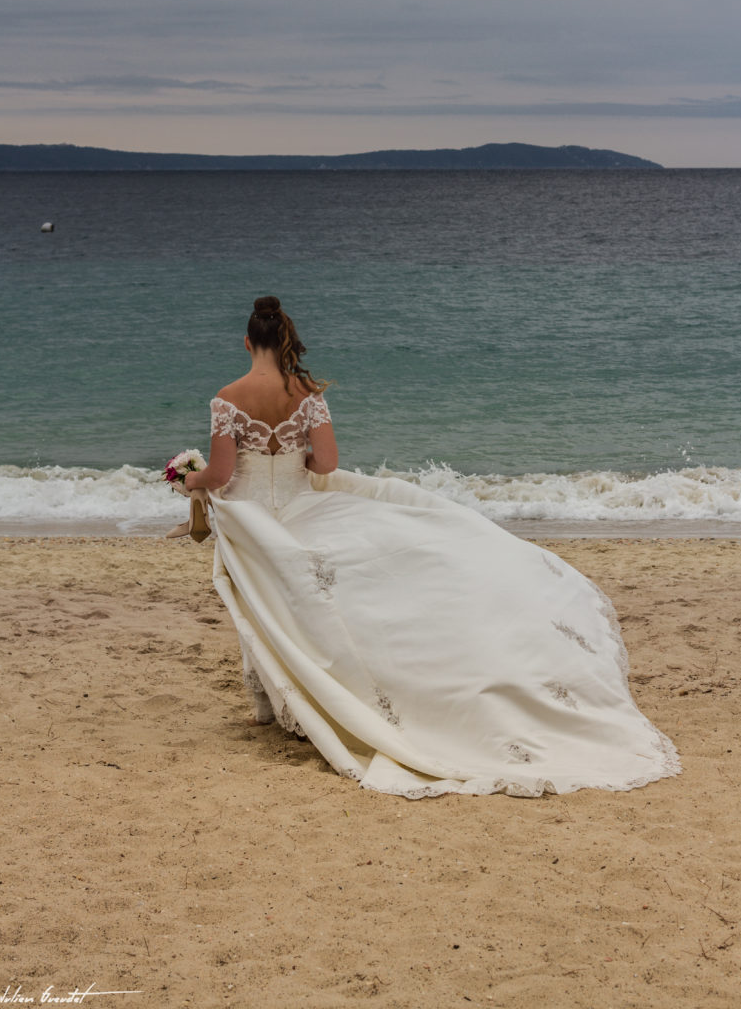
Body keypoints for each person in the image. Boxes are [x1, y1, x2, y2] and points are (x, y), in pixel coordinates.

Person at [179, 295, 680, 799]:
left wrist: (186, 478)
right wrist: (292, 464)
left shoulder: (228, 397)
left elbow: (221, 474)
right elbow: (327, 464)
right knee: (326, 599)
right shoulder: (307, 391)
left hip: (252, 516)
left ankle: (266, 708)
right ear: (283, 337)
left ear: (246, 342)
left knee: (259, 596)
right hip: (302, 507)